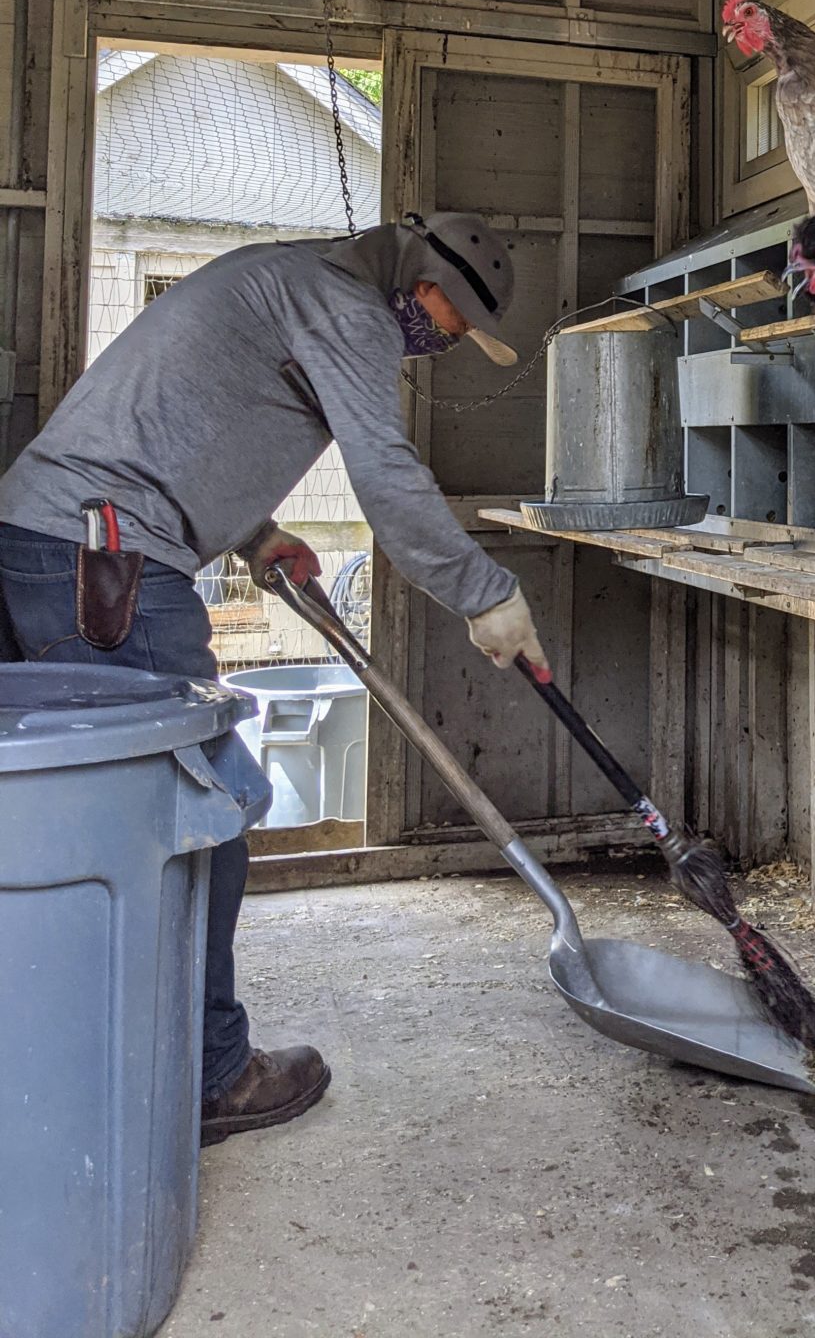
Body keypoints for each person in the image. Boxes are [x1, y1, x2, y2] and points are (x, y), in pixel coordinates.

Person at [0, 211, 548, 1145]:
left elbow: (190, 423)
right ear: (424, 288)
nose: (437, 350)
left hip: (70, 538)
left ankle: (96, 1059)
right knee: (201, 812)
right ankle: (210, 1073)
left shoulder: (284, 278)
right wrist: (485, 593)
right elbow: (384, 471)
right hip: (107, 561)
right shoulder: (349, 308)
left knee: (127, 816)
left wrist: (256, 533)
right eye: (448, 332)